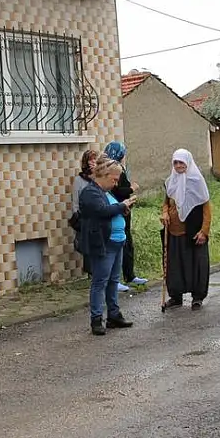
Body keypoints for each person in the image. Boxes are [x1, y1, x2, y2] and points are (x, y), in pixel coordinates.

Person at [76, 156, 136, 336]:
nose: (116, 184)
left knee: (113, 281)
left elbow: (111, 209)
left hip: (116, 242)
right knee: (100, 282)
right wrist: (122, 205)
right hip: (102, 243)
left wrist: (122, 207)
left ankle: (114, 315)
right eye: (114, 179)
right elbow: (102, 211)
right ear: (104, 174)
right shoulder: (90, 192)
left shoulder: (105, 192)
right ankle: (96, 319)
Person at [160, 149, 212, 310]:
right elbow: (166, 203)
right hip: (173, 233)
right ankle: (175, 296)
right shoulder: (171, 182)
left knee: (196, 265)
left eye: (181, 162)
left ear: (188, 163)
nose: (178, 165)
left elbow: (206, 209)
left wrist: (204, 231)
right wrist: (164, 214)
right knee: (174, 266)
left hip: (192, 231)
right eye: (175, 162)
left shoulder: (197, 181)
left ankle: (197, 297)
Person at [103, 141, 147, 291]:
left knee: (127, 242)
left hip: (124, 210)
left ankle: (130, 275)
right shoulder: (112, 170)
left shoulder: (119, 168)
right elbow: (118, 191)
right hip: (117, 210)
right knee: (119, 244)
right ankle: (117, 279)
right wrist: (131, 188)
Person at [70, 149, 99, 276]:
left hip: (99, 215)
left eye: (95, 159)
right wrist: (77, 216)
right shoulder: (79, 180)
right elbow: (75, 200)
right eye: (91, 160)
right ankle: (91, 272)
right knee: (87, 246)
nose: (93, 162)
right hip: (86, 217)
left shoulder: (99, 177)